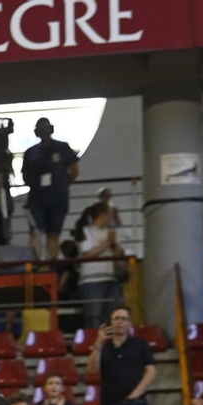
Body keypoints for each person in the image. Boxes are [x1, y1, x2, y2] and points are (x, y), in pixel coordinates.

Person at [21, 117, 79, 260]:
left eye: (46, 128)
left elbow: (74, 170)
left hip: (58, 197)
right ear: (36, 132)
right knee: (36, 231)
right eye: (41, 129)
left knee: (54, 233)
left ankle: (52, 265)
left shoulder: (63, 148)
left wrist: (63, 184)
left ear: (51, 129)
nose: (44, 132)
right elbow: (25, 175)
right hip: (37, 198)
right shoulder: (30, 152)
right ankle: (34, 265)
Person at [77, 203, 124, 328]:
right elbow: (88, 254)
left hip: (110, 277)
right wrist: (108, 243)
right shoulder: (86, 231)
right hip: (92, 279)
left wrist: (114, 245)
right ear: (102, 215)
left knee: (114, 313)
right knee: (94, 315)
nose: (111, 217)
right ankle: (93, 342)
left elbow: (118, 254)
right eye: (110, 213)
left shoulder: (110, 232)